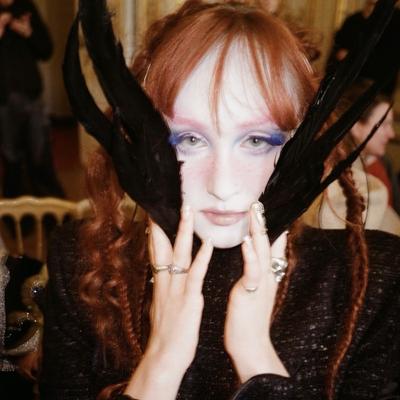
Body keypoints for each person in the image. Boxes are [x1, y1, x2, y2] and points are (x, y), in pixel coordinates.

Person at [40, 1, 400, 400]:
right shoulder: (82, 267)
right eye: (190, 139)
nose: (222, 185)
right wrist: (160, 364)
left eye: (256, 140)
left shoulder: (373, 287)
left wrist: (257, 360)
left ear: (300, 141)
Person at [0, 0, 64, 198]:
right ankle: (16, 210)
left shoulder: (27, 7)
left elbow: (46, 50)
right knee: (11, 159)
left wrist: (29, 33)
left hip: (32, 96)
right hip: (3, 101)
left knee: (40, 156)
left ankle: (50, 208)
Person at [326, 0, 400, 97]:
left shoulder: (395, 20)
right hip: (347, 84)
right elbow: (338, 53)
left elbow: (390, 60)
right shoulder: (352, 20)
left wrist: (351, 57)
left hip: (377, 88)